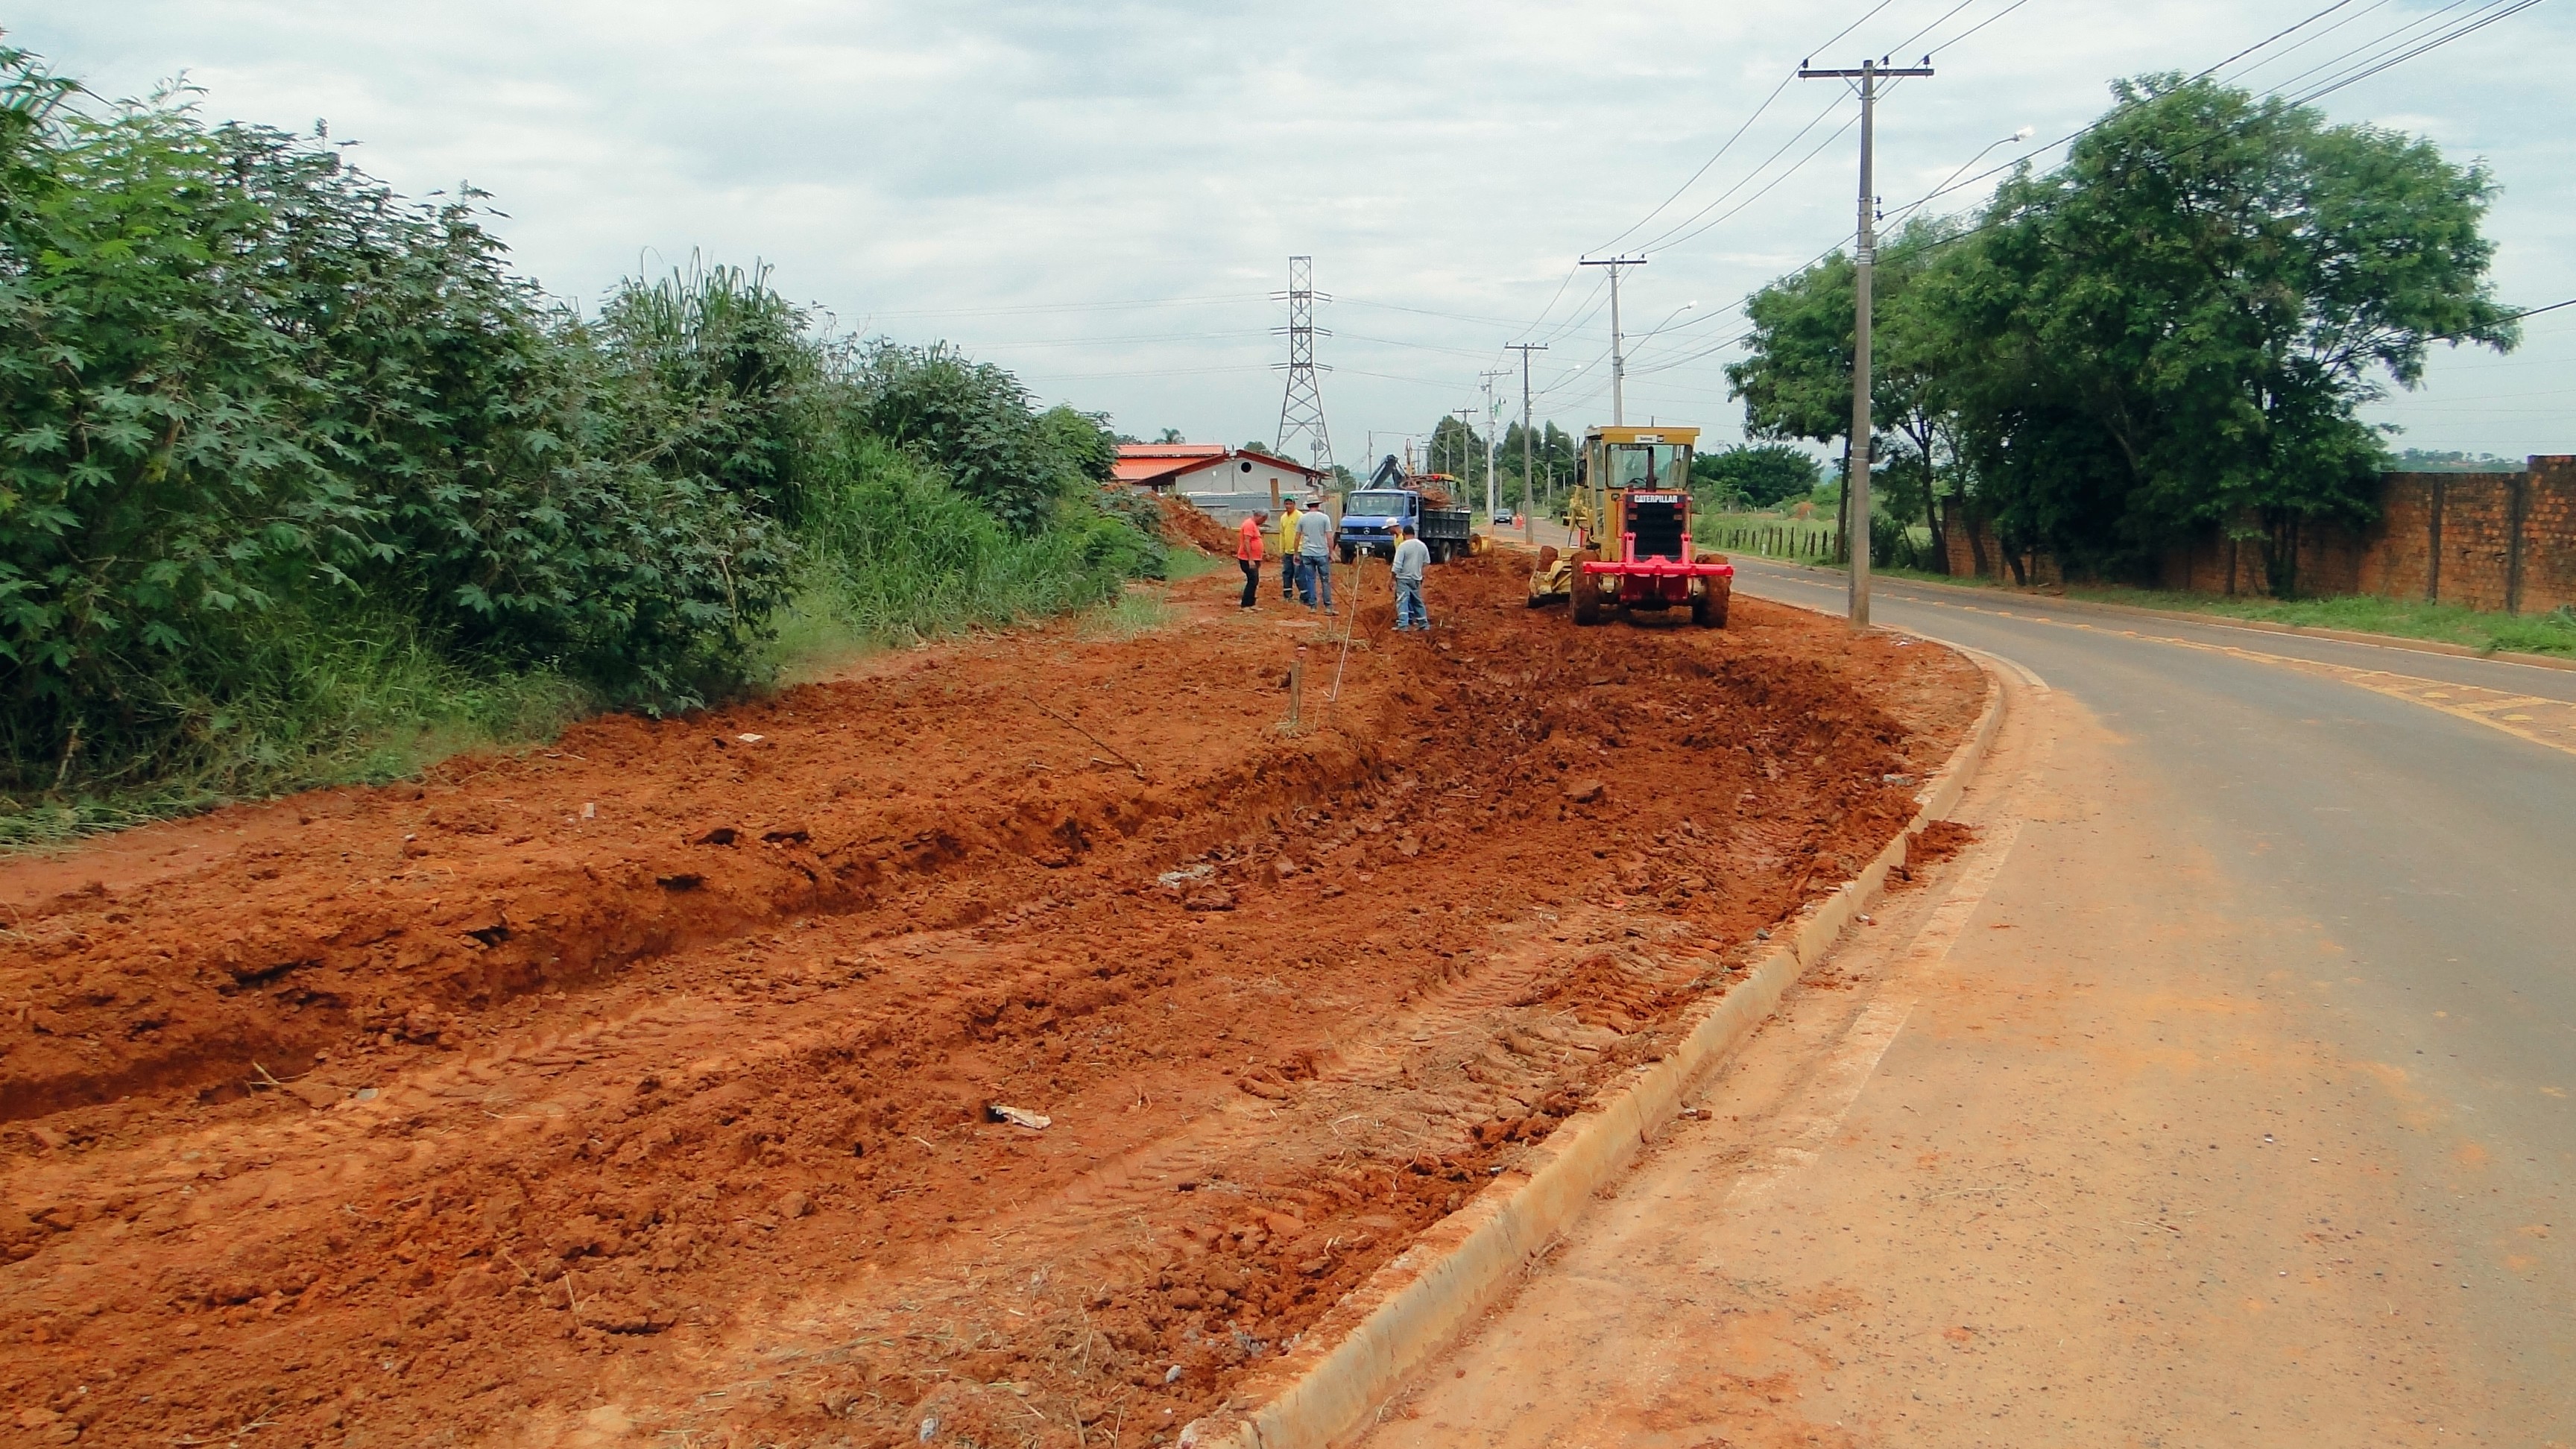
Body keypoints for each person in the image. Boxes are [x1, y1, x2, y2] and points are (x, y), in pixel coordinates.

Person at [1295, 499, 1336, 612]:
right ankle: (1328, 606)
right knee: (1325, 580)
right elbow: (1329, 537)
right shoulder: (1324, 518)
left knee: (1310, 579)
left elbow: (1297, 537)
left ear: (1308, 506)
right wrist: (1331, 552)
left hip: (1307, 553)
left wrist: (1296, 553)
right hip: (1321, 553)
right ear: (1318, 505)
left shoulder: (1302, 518)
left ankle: (1313, 605)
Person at [1391, 523, 1430, 631]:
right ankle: (1423, 624)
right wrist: (1422, 576)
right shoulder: (1422, 546)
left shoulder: (1403, 546)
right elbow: (1427, 563)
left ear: (1404, 534)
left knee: (1402, 600)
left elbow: (1397, 565)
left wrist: (1392, 579)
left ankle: (1403, 624)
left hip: (1403, 578)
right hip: (1416, 578)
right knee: (1417, 601)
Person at [1236, 510, 1267, 609]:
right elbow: (1247, 542)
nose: (1263, 522)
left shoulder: (1253, 525)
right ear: (1260, 516)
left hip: (1254, 558)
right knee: (1253, 580)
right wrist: (1250, 559)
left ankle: (1251, 603)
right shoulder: (1249, 525)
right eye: (1264, 519)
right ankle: (1246, 604)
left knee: (1254, 580)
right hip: (1248, 559)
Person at [1275, 499, 1302, 600]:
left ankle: (1305, 596)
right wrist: (1281, 550)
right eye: (1286, 504)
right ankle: (1287, 595)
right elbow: (1282, 534)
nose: (1288, 506)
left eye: (1290, 503)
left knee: (1299, 574)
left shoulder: (1300, 516)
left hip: (1299, 551)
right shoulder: (1283, 518)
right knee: (1287, 573)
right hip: (1287, 551)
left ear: (1294, 504)